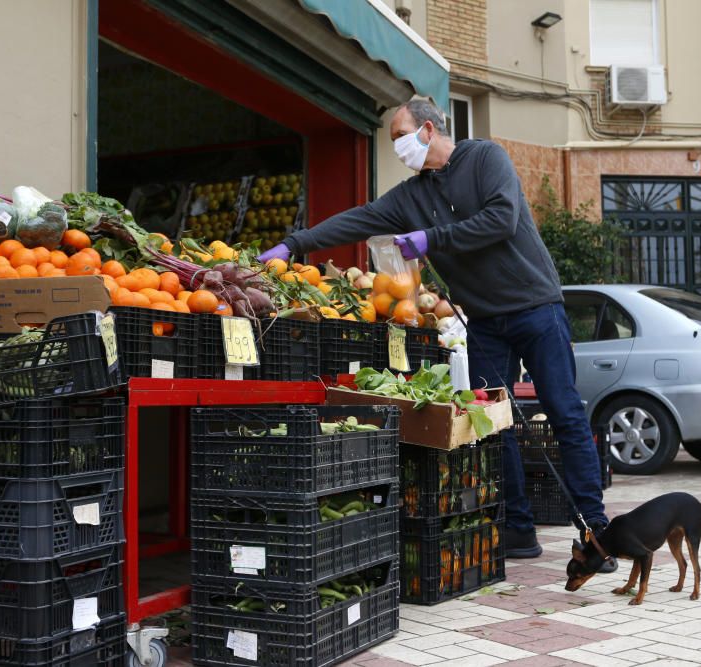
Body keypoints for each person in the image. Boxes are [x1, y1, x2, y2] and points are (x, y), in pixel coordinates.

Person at [258, 98, 612, 563]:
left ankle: (597, 533)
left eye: (399, 135)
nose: (397, 146)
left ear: (427, 129)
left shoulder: (486, 157)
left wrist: (431, 238)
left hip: (535, 306)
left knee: (564, 413)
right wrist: (295, 242)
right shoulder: (411, 196)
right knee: (490, 426)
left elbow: (501, 218)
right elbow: (360, 218)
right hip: (484, 320)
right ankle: (518, 530)